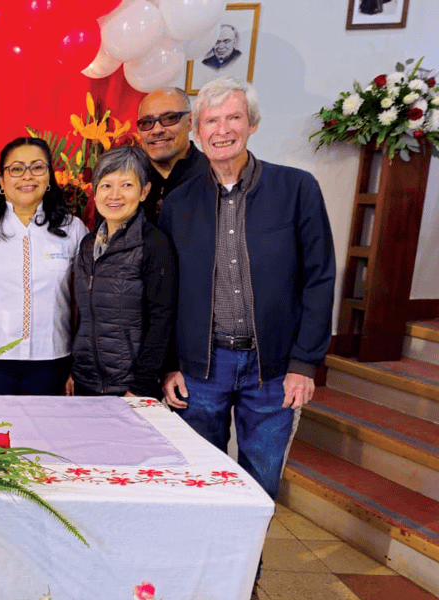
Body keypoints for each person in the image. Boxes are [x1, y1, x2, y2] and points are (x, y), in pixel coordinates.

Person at [159, 77, 335, 506]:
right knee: (199, 482)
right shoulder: (177, 205)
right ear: (197, 133)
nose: (222, 129)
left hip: (272, 370)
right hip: (200, 370)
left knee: (260, 488)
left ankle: (247, 574)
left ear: (252, 124)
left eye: (233, 117)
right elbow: (164, 293)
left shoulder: (297, 189)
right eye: (211, 121)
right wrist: (167, 366)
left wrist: (305, 363)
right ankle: (206, 573)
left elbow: (319, 278)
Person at [0, 137, 89, 395]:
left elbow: (84, 302)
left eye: (37, 167)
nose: (27, 176)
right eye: (16, 168)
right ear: (2, 180)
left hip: (51, 361)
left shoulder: (73, 229)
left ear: (49, 177)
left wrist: (80, 363)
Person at [69, 146, 177, 398]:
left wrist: (141, 385)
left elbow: (162, 319)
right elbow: (81, 317)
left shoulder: (153, 244)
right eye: (106, 185)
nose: (115, 195)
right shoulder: (87, 245)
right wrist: (72, 371)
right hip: (85, 383)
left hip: (130, 388)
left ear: (144, 192)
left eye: (127, 185)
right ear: (95, 192)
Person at [135, 87, 209, 221]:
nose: (157, 130)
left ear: (190, 121)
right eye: (147, 122)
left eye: (169, 118)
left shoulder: (214, 177)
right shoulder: (127, 178)